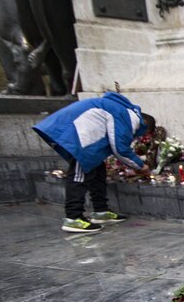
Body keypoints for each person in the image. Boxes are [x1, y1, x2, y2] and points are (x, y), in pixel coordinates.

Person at [33, 92, 155, 233]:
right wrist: (141, 166)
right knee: (80, 175)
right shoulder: (128, 117)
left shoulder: (120, 110)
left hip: (83, 137)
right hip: (79, 139)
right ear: (144, 124)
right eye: (143, 134)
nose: (137, 136)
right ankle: (73, 218)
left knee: (98, 170)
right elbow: (119, 148)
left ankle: (101, 211)